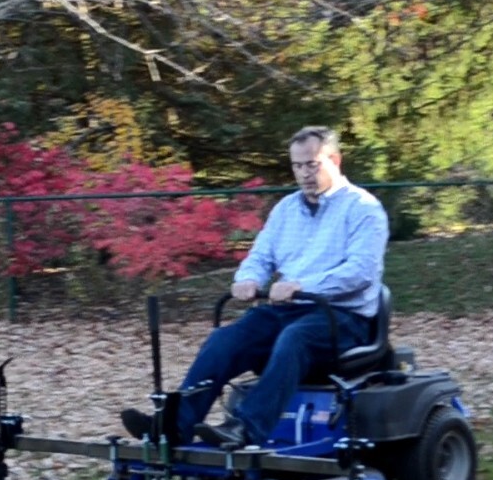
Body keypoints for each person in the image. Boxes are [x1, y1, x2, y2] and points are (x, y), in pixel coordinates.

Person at [121, 125, 389, 447]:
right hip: (290, 310)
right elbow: (261, 255)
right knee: (226, 339)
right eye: (297, 166)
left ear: (335, 160)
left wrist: (301, 285)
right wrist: (248, 279)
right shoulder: (286, 209)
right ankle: (174, 427)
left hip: (344, 319)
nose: (304, 174)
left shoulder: (363, 209)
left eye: (312, 164)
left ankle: (247, 428)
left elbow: (360, 272)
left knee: (295, 338)